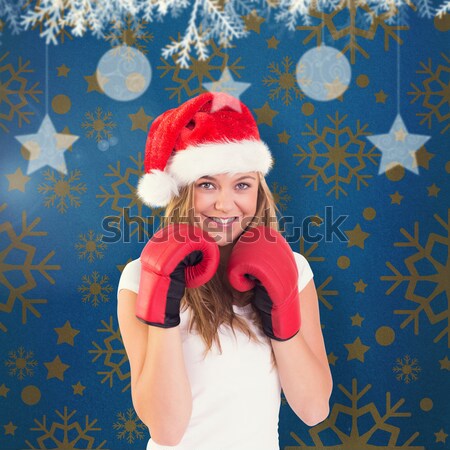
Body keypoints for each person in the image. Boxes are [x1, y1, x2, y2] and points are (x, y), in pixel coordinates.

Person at [117, 92, 333, 450]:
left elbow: (313, 410)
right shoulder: (140, 277)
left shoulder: (294, 268)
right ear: (183, 190)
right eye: (207, 184)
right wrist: (163, 306)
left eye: (242, 184)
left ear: (258, 191)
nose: (224, 203)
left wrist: (282, 317)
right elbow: (167, 430)